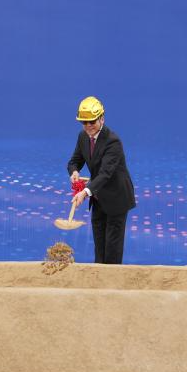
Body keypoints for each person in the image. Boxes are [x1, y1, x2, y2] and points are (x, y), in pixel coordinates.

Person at [67, 96, 136, 264]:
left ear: (102, 119)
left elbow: (105, 173)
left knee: (112, 250)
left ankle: (112, 280)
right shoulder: (83, 137)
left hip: (116, 198)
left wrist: (85, 192)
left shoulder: (113, 141)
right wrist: (74, 171)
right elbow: (74, 161)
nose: (88, 126)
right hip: (98, 198)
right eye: (84, 122)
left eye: (92, 121)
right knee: (99, 248)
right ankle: (99, 278)